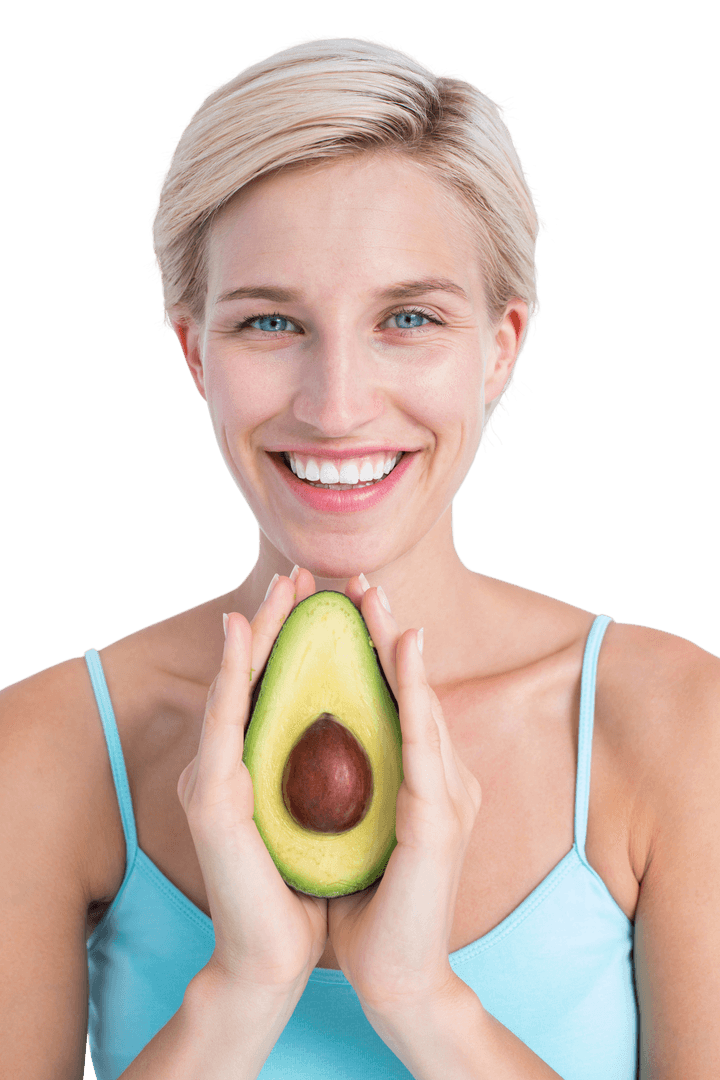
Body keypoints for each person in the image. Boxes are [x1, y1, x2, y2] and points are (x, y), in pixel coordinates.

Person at [2, 32, 718, 1080]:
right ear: (196, 350)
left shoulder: (675, 724)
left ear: (502, 345)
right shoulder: (47, 748)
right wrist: (239, 994)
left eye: (410, 317)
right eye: (272, 321)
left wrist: (424, 1002)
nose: (335, 407)